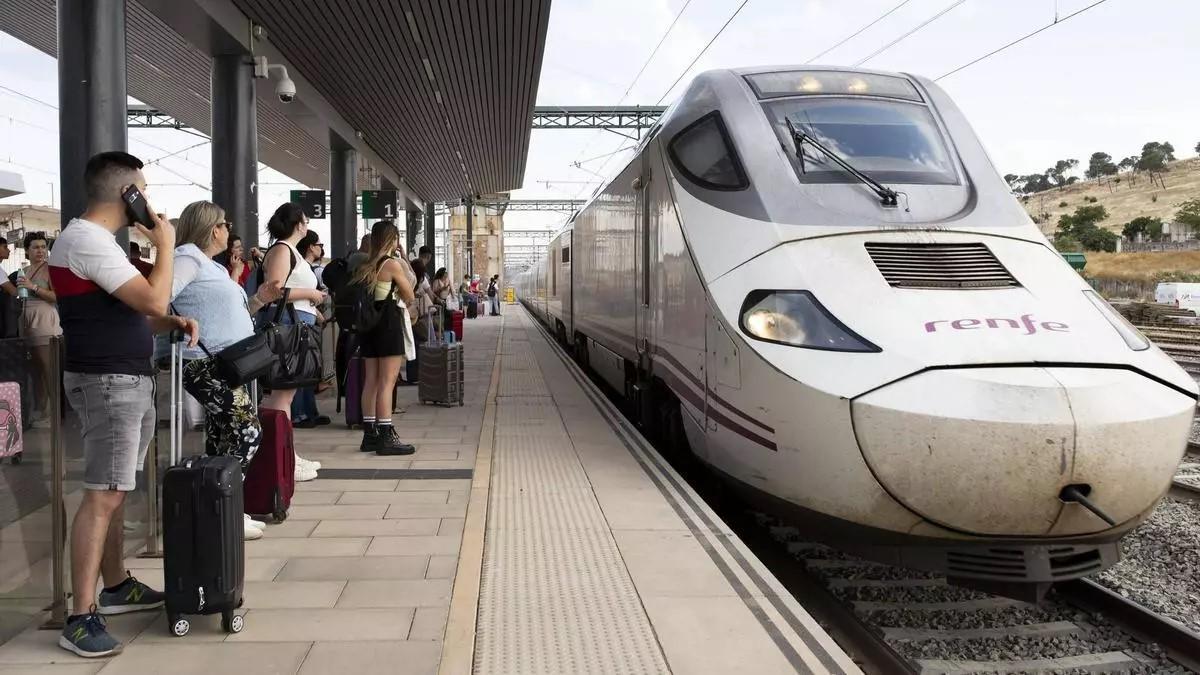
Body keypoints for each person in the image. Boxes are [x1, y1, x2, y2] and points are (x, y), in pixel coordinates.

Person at [49, 151, 198, 658]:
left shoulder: (95, 243)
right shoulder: (88, 240)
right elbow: (155, 299)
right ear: (126, 193)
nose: (149, 201)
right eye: (144, 191)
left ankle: (113, 588)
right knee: (104, 493)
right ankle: (81, 615)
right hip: (107, 382)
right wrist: (167, 245)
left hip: (120, 378)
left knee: (114, 491)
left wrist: (171, 324)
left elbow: (140, 311)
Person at [167, 200, 284, 540]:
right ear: (212, 228)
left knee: (223, 437)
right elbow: (161, 296)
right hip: (205, 364)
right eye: (225, 224)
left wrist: (259, 299)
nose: (229, 230)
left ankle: (225, 509)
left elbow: (230, 311)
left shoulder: (210, 265)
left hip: (225, 364)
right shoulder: (187, 257)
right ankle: (224, 508)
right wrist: (177, 321)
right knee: (247, 430)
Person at [259, 203, 329, 472]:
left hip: (298, 325)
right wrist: (311, 295)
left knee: (287, 393)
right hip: (289, 327)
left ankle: (286, 455)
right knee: (282, 394)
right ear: (298, 224)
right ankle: (282, 458)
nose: (308, 223)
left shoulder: (290, 252)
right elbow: (273, 290)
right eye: (306, 219)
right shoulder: (281, 250)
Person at [353, 220, 417, 455]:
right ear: (393, 239)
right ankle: (386, 435)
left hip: (369, 327)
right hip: (388, 324)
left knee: (371, 381)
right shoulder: (391, 264)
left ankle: (369, 435)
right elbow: (410, 294)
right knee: (387, 382)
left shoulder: (365, 266)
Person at [17, 232, 63, 419]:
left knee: (48, 368)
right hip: (27, 320)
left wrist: (33, 287)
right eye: (36, 247)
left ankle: (58, 413)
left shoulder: (49, 269)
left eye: (43, 247)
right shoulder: (25, 270)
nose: (40, 251)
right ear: (27, 250)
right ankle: (42, 411)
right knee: (35, 369)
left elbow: (57, 297)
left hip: (44, 320)